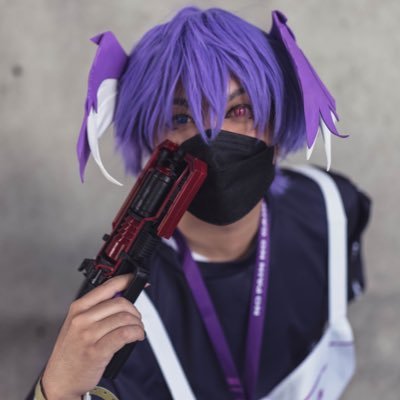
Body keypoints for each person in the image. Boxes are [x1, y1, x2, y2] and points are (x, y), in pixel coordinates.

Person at [30, 6, 370, 400]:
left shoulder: (331, 207)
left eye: (239, 110)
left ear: (277, 120)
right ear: (149, 139)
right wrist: (59, 390)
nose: (212, 138)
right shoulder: (120, 303)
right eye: (181, 118)